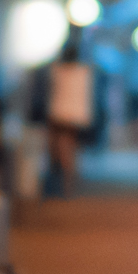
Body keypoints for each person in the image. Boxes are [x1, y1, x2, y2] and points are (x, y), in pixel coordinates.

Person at [43, 34, 96, 194]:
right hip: (77, 115)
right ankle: (70, 180)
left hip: (59, 114)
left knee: (61, 148)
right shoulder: (84, 72)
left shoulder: (57, 70)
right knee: (72, 149)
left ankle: (65, 182)